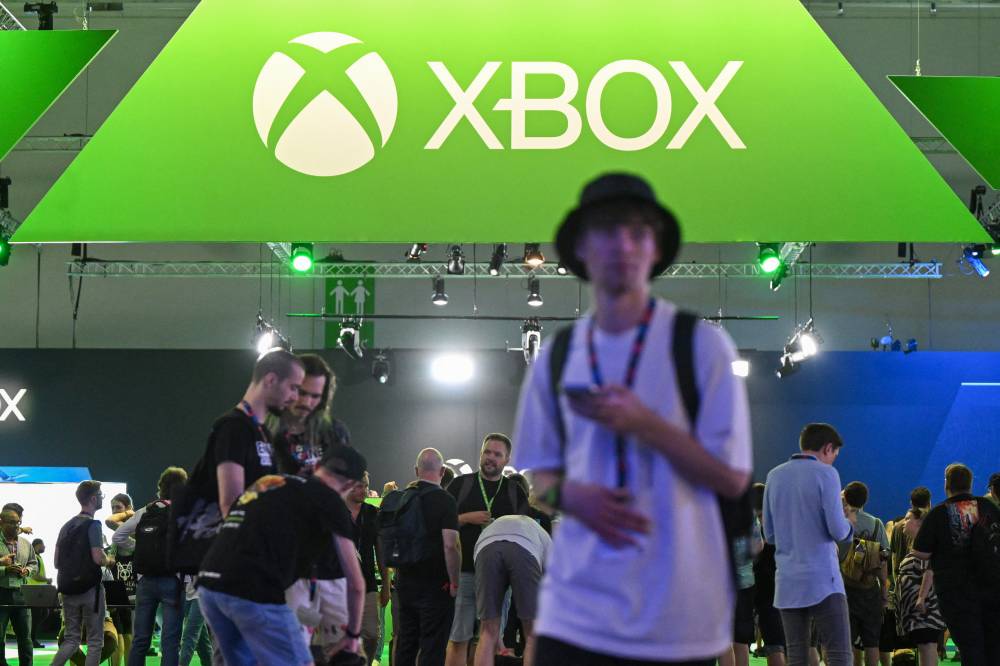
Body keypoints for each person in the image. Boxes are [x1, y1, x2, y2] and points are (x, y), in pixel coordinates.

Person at [512, 173, 752, 665]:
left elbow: (731, 478)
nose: (622, 244)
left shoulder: (699, 346)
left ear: (656, 246)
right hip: (576, 609)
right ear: (582, 246)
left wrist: (648, 424)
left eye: (638, 231)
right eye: (606, 229)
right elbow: (542, 481)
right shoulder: (557, 356)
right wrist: (574, 495)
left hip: (674, 613)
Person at [197, 444, 366, 666]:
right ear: (351, 484)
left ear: (318, 466)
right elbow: (355, 583)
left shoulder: (270, 482)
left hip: (209, 585)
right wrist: (352, 637)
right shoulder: (329, 500)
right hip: (252, 591)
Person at [764, 424, 855, 666]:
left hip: (787, 581)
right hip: (823, 579)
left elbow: (769, 535)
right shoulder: (827, 474)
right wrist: (850, 526)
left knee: (797, 655)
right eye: (834, 455)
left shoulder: (774, 475)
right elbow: (838, 529)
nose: (833, 461)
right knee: (838, 653)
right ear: (828, 448)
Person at [445, 433, 528, 666]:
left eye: (497, 454)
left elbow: (524, 536)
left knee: (489, 639)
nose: (490, 458)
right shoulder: (460, 485)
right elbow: (442, 527)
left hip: (500, 578)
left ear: (507, 459)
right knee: (458, 638)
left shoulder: (515, 492)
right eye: (487, 452)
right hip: (464, 574)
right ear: (481, 454)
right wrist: (465, 518)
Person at [912, 463, 1000, 666]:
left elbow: (920, 553)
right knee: (994, 646)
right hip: (992, 589)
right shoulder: (987, 507)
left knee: (970, 648)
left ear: (946, 485)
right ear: (970, 484)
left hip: (956, 593)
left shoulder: (938, 513)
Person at [114, 466, 189, 666]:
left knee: (140, 639)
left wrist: (137, 548)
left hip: (145, 581)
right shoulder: (184, 513)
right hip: (174, 581)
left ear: (160, 488)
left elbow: (118, 536)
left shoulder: (145, 511)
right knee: (171, 641)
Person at [393, 448, 460, 666]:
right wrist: (454, 582)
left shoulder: (402, 499)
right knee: (432, 647)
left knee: (406, 643)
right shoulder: (446, 500)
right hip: (436, 586)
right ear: (442, 471)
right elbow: (451, 545)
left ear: (416, 470)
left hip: (405, 583)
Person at [472, 513, 552, 666]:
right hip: (524, 547)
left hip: (484, 547)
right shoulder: (545, 538)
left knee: (487, 632)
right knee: (532, 634)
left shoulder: (506, 523)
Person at [52, 480, 115, 666]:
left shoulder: (66, 526)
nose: (103, 498)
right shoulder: (93, 525)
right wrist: (109, 560)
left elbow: (56, 562)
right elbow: (97, 558)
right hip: (90, 591)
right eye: (101, 495)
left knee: (71, 639)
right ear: (94, 499)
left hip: (68, 589)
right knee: (96, 641)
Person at [269, 353, 351, 476]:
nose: (306, 402)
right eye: (301, 392)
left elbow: (345, 482)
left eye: (315, 396)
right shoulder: (263, 431)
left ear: (323, 399)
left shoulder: (335, 432)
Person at [839, 481, 890, 666]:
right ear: (865, 500)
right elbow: (883, 560)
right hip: (869, 590)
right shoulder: (875, 524)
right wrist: (884, 593)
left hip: (843, 587)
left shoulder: (839, 522)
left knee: (848, 641)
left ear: (846, 498)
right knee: (871, 642)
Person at [345, 472, 388, 664]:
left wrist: (386, 585)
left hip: (368, 584)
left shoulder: (372, 513)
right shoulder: (335, 512)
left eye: (365, 485)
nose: (363, 490)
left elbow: (382, 553)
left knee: (371, 633)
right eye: (358, 486)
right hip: (340, 584)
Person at [894, 509, 945, 666]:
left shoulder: (925, 546)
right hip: (918, 614)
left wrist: (921, 598)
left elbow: (929, 571)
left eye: (908, 518)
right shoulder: (918, 544)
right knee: (924, 647)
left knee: (927, 646)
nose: (904, 522)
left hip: (925, 612)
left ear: (919, 523)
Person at [0, 508, 38, 665]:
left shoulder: (26, 543)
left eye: (18, 523)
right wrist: (4, 569)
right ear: (1, 522)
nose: (17, 526)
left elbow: (33, 564)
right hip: (1, 593)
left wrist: (27, 570)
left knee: (25, 638)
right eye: (12, 522)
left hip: (22, 594)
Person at [27, 537, 51, 648]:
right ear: (37, 545)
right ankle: (31, 639)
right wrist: (47, 580)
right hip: (34, 591)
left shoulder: (37, 557)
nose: (44, 547)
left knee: (42, 614)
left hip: (38, 591)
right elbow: (35, 575)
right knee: (37, 616)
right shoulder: (35, 558)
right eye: (43, 544)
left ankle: (31, 636)